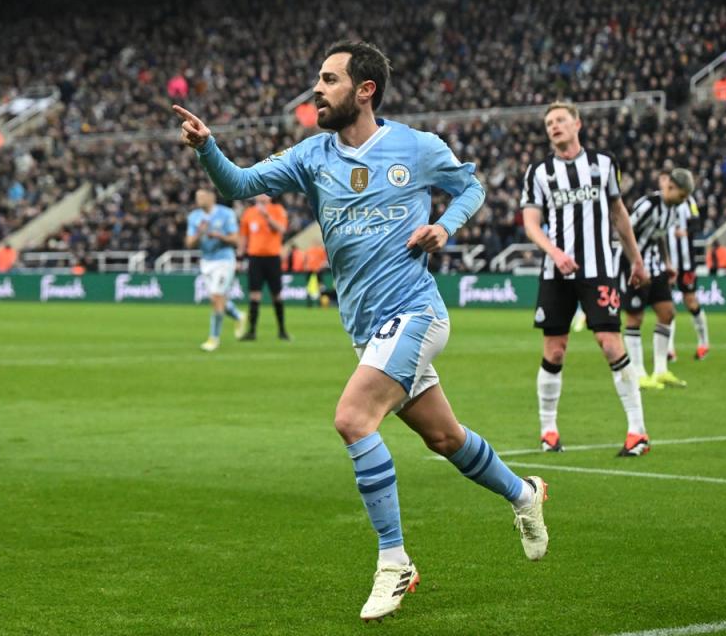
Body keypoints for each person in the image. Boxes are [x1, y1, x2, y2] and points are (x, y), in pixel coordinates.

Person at [174, 40, 548, 622]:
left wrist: (443, 227)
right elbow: (239, 185)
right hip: (367, 328)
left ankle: (395, 563)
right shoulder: (313, 154)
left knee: (352, 419)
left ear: (364, 89)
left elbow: (470, 186)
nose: (317, 90)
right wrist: (207, 148)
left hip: (417, 313)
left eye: (328, 79)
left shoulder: (415, 147)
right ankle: (525, 494)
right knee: (445, 439)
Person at [520, 101, 651, 457]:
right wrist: (555, 252)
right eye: (549, 122)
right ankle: (549, 431)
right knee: (555, 350)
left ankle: (637, 432)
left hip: (600, 268)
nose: (554, 126)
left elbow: (619, 214)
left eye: (561, 119)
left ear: (577, 124)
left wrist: (636, 260)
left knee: (610, 342)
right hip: (555, 270)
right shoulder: (538, 172)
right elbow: (531, 222)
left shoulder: (603, 164)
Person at [620, 169, 695, 390]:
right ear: (670, 187)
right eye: (681, 196)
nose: (683, 201)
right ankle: (638, 373)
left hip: (655, 265)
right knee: (635, 317)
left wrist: (668, 262)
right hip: (632, 264)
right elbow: (624, 230)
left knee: (667, 313)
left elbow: (659, 236)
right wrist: (635, 263)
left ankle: (661, 371)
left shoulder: (672, 210)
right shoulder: (648, 205)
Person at [185, 189, 246, 351]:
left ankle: (214, 338)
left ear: (211, 197)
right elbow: (189, 243)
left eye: (202, 196)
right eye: (197, 196)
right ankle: (239, 316)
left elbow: (235, 239)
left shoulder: (226, 214)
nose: (198, 199)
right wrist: (200, 232)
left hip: (224, 261)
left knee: (216, 297)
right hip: (206, 262)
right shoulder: (194, 217)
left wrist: (218, 236)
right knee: (218, 299)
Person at [665, 179, 710, 361]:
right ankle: (669, 349)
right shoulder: (663, 203)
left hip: (686, 263)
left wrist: (686, 232)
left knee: (690, 301)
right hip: (667, 262)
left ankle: (704, 343)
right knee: (666, 305)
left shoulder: (689, 202)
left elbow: (697, 225)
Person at [238, 194, 290, 341]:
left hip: (273, 258)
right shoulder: (249, 212)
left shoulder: (277, 209)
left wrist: (267, 217)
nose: (261, 196)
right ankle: (251, 331)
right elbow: (243, 236)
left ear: (269, 196)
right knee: (254, 295)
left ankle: (282, 330)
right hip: (255, 258)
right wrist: (239, 257)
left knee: (277, 295)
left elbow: (281, 229)